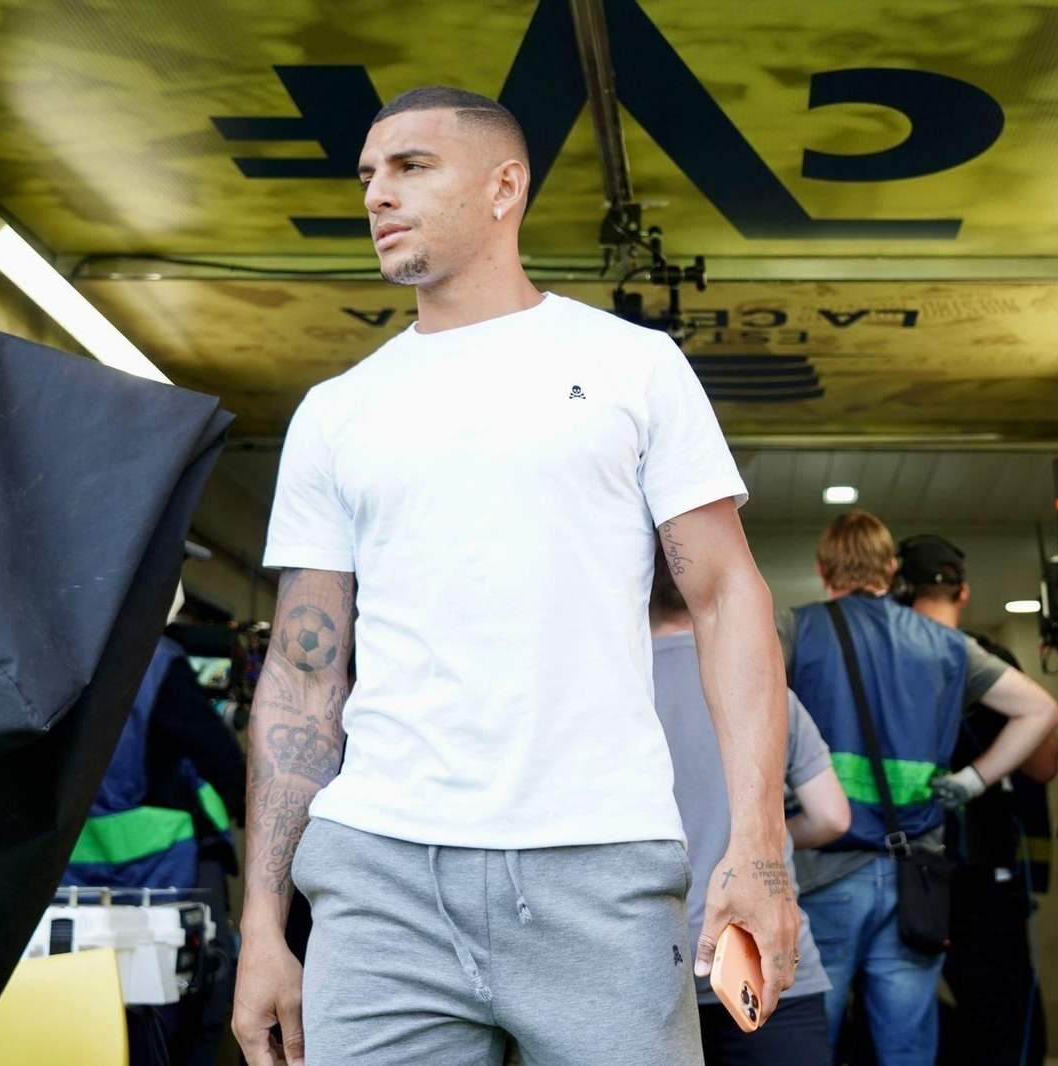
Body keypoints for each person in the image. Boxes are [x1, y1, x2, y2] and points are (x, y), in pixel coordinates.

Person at [232, 86, 797, 1066]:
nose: (376, 195)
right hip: (378, 878)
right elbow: (302, 671)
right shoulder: (336, 410)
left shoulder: (632, 365)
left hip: (601, 867)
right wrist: (260, 926)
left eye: (411, 167)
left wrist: (759, 845)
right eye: (367, 176)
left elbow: (723, 596)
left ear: (505, 187)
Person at [776, 510, 1058, 1066]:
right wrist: (973, 780)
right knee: (907, 1048)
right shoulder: (944, 644)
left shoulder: (794, 629)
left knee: (811, 1044)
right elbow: (1041, 710)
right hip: (918, 884)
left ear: (823, 569)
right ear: (890, 569)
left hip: (824, 873)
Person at [649, 543, 852, 1066]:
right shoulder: (766, 692)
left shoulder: (612, 695)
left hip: (648, 970)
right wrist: (769, 836)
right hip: (761, 963)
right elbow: (833, 816)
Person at [64, 579, 247, 1066]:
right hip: (162, 874)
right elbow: (221, 757)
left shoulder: (50, 657)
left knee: (80, 1016)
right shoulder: (156, 661)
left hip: (68, 877)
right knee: (190, 1006)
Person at [896, 535, 1058, 1066]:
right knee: (1005, 1028)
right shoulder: (989, 662)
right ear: (962, 592)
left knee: (895, 1024)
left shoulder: (878, 662)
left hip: (893, 872)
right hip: (980, 876)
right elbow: (1044, 765)